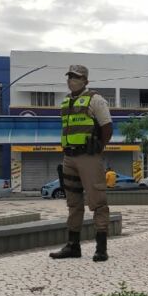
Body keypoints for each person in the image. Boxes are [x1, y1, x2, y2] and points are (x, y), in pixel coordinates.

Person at [49, 64, 113, 262]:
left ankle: (101, 249)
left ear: (85, 80)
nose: (71, 80)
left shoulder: (95, 99)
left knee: (98, 202)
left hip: (88, 157)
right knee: (73, 203)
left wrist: (99, 147)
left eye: (76, 77)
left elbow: (107, 126)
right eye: (69, 76)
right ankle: (73, 246)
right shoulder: (66, 101)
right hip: (69, 157)